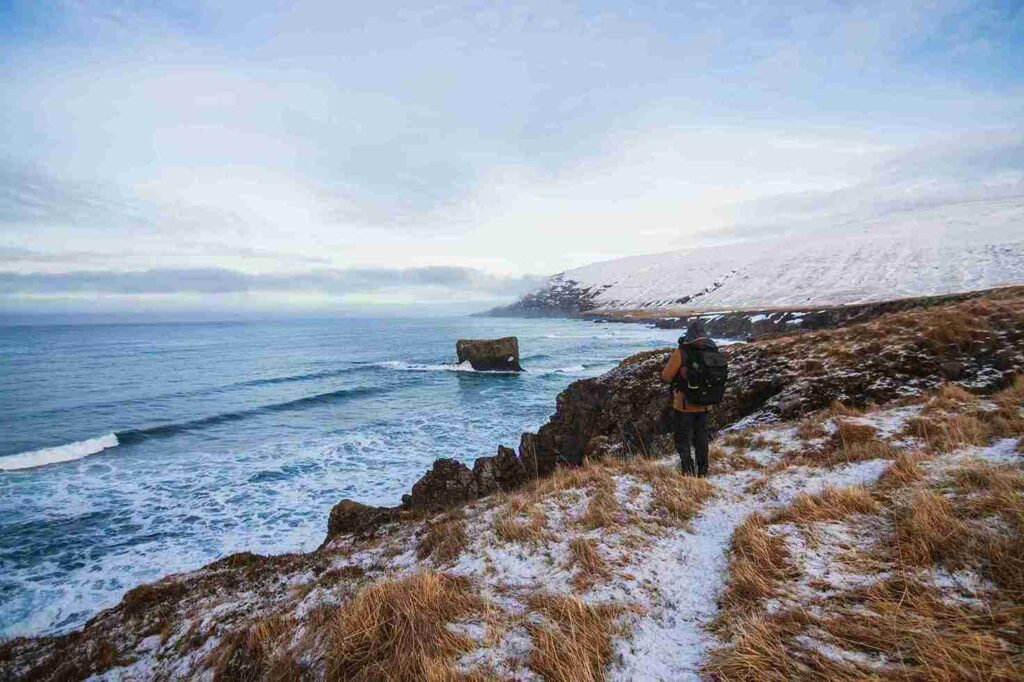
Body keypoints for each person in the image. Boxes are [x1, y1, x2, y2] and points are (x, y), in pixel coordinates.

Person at [660, 320, 714, 476]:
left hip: (684, 405)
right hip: (705, 404)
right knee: (701, 438)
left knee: (682, 439)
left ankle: (688, 470)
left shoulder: (682, 351)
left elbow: (666, 376)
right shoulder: (712, 349)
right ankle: (703, 471)